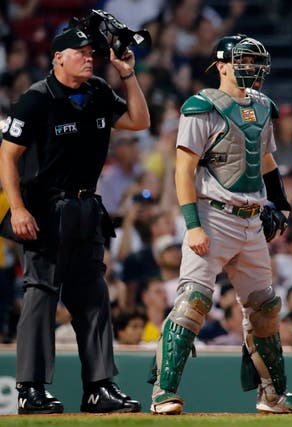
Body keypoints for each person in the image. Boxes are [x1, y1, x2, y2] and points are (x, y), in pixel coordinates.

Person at [148, 34, 292, 415]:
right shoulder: (200, 106)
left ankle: (272, 395)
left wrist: (282, 204)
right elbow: (183, 170)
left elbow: (269, 164)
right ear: (222, 66)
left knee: (266, 308)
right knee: (193, 301)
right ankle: (163, 392)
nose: (252, 69)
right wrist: (191, 224)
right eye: (243, 61)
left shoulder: (262, 106)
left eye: (255, 62)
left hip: (251, 220)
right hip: (212, 214)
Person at [0, 23, 150, 414]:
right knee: (41, 296)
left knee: (94, 298)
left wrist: (128, 75)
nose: (89, 58)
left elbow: (138, 121)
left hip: (87, 207)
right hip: (45, 208)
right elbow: (7, 155)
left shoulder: (99, 91)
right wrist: (17, 208)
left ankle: (99, 387)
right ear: (58, 58)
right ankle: (30, 389)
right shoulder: (36, 99)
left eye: (91, 53)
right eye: (80, 52)